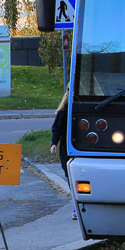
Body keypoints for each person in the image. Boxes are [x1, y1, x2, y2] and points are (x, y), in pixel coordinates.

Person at [50, 90, 75, 220]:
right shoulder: (64, 111)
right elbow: (57, 129)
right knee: (70, 175)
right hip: (67, 148)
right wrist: (54, 143)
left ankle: (78, 205)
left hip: (82, 148)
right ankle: (76, 204)